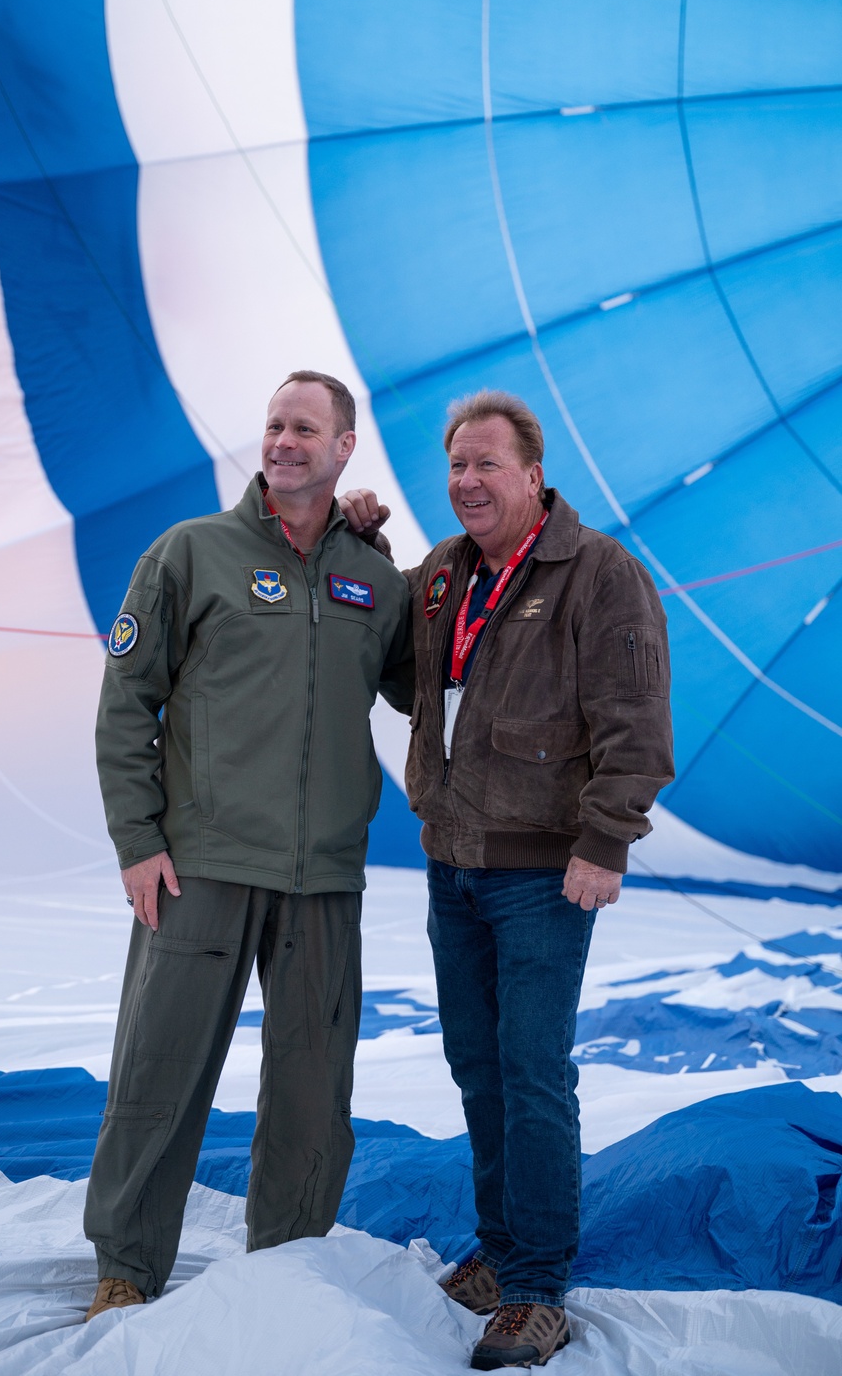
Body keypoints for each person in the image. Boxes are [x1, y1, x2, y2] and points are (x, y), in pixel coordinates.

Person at [340, 391, 673, 1369]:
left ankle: (536, 1288)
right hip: (456, 866)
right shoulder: (443, 574)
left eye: (486, 464)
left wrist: (604, 843)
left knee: (532, 1073)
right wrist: (365, 547)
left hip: (543, 876)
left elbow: (636, 721)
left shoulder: (598, 573)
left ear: (533, 473)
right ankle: (498, 1248)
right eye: (455, 467)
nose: (467, 482)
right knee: (477, 1066)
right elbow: (402, 672)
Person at [83, 370, 413, 1320]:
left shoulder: (375, 579)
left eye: (306, 428)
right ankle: (127, 1266)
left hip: (324, 878)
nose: (284, 440)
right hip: (201, 865)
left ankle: (290, 1262)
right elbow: (125, 703)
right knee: (161, 1069)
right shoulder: (191, 553)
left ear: (345, 446)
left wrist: (388, 554)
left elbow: (415, 683)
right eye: (275, 424)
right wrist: (138, 839)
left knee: (315, 1085)